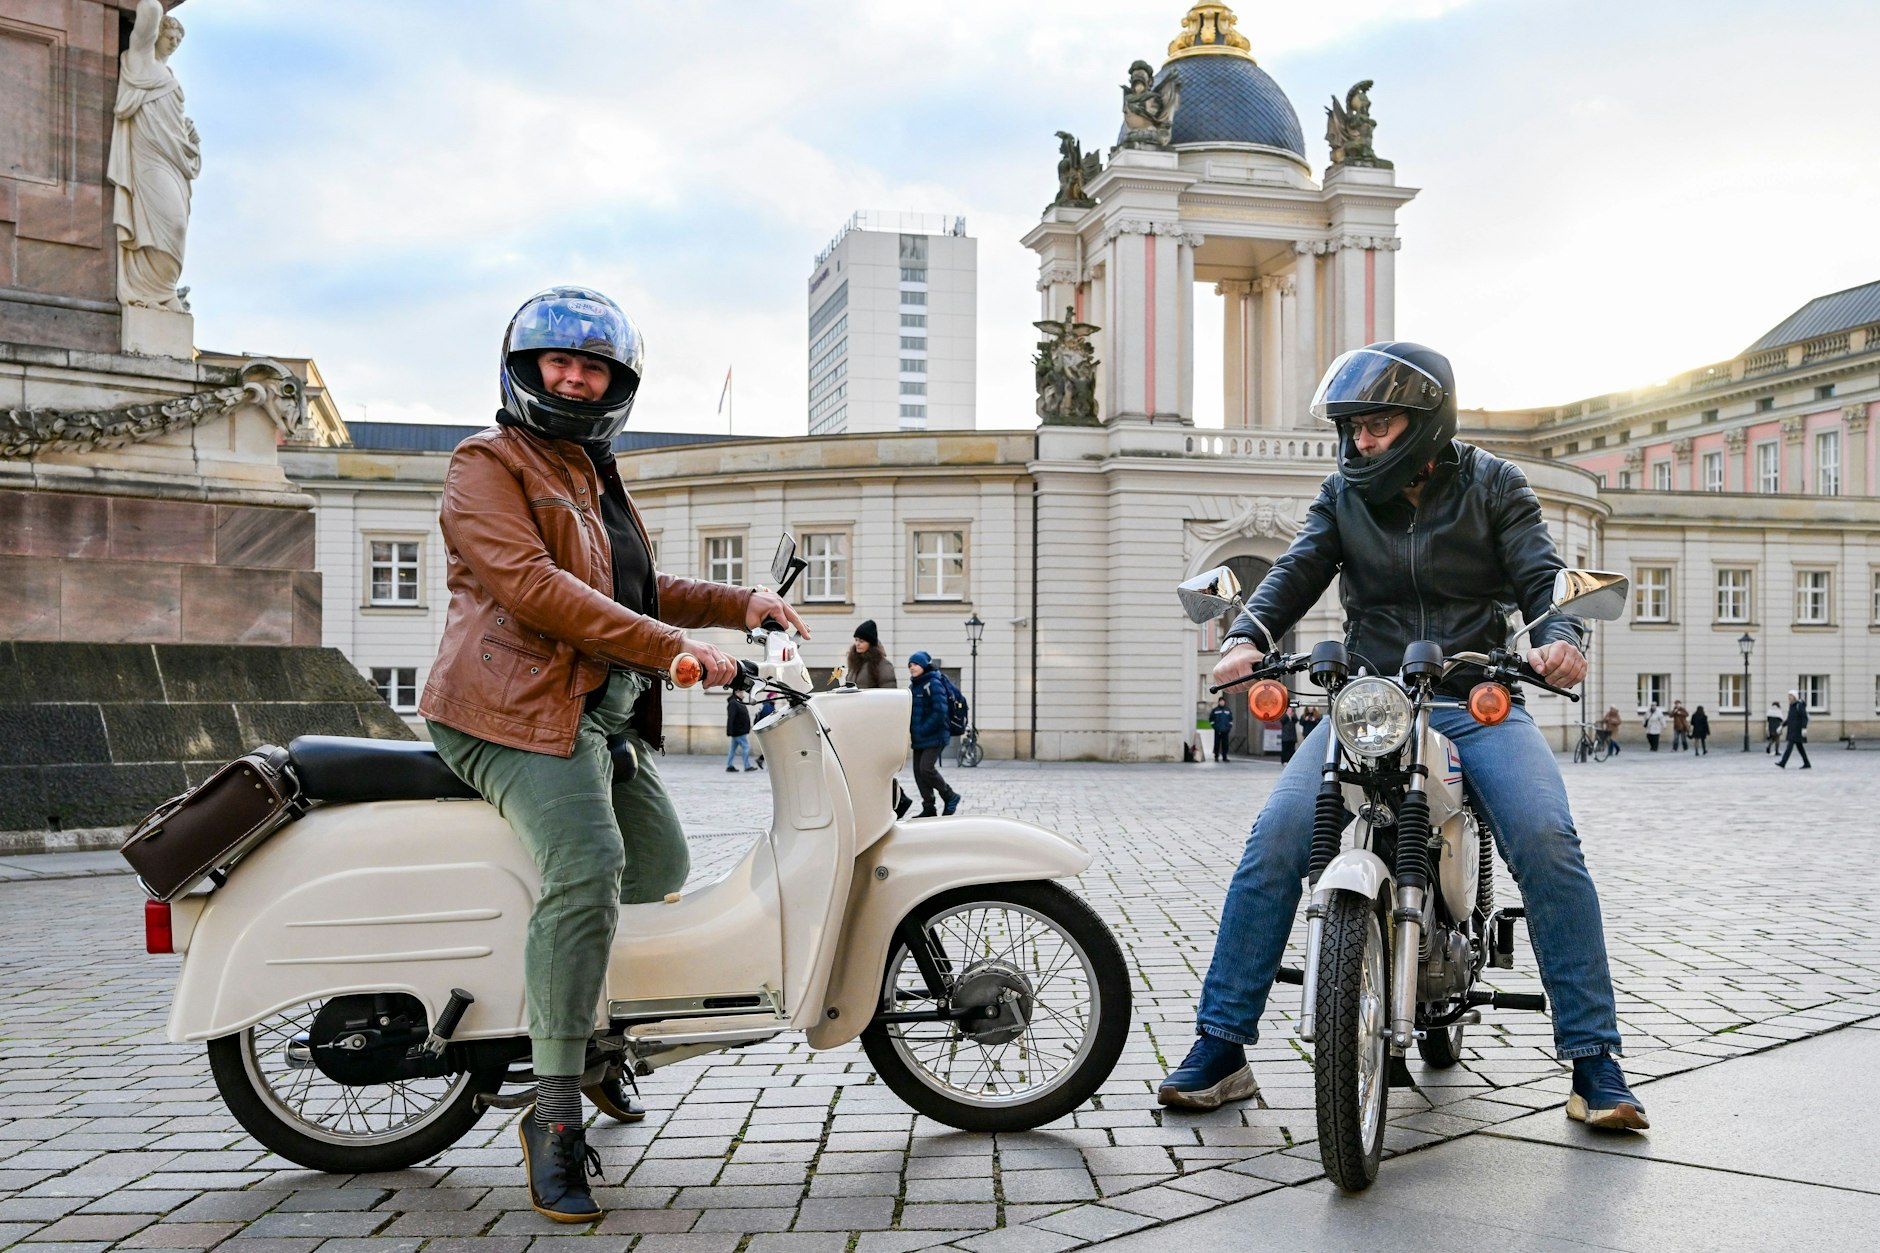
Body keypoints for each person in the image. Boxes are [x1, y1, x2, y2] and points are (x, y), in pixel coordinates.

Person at [1158, 342, 1647, 1132]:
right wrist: (1246, 632)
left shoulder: (1494, 484)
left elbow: (1541, 574)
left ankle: (1596, 1061)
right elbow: (1296, 568)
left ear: (1423, 424)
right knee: (1276, 837)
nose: (1358, 443)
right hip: (1370, 700)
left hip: (1471, 694)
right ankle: (1221, 1046)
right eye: (1351, 428)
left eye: (1375, 426)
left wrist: (1559, 637)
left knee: (1548, 838)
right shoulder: (1342, 496)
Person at [418, 286, 810, 1222]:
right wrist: (665, 649)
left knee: (663, 862)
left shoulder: (592, 470)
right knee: (590, 868)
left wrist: (736, 603)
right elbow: (533, 587)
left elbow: (633, 581)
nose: (573, 376)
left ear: (615, 384)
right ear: (524, 369)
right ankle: (551, 1114)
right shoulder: (488, 463)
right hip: (509, 708)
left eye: (593, 366)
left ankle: (586, 1028)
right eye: (559, 361)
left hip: (589, 710)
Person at [906, 651, 961, 816]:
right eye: (910, 665)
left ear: (923, 665)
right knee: (918, 772)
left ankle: (950, 795)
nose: (912, 668)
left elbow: (940, 711)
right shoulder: (914, 685)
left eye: (915, 664)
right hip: (919, 737)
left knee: (926, 769)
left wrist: (922, 729)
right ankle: (929, 807)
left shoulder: (933, 683)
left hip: (935, 735)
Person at [846, 620, 896, 688]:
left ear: (870, 644)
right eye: (856, 640)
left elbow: (889, 691)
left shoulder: (883, 664)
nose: (857, 644)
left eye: (861, 641)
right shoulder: (854, 663)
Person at [1776, 691, 1811, 769]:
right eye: (1788, 695)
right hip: (1792, 730)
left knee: (1789, 747)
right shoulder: (1792, 706)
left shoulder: (1799, 705)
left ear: (1795, 697)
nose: (1789, 697)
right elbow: (1789, 719)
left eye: (1791, 696)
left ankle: (1783, 762)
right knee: (1800, 748)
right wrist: (1782, 726)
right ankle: (1807, 763)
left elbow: (1804, 717)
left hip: (1797, 731)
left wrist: (1804, 728)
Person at [725, 693, 754, 772]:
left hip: (738, 730)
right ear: (736, 692)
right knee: (746, 747)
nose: (743, 694)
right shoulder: (734, 703)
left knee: (732, 749)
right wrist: (730, 730)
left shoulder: (737, 701)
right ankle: (747, 766)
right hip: (739, 731)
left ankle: (729, 765)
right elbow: (731, 717)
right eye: (741, 692)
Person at [1208, 696, 1234, 761]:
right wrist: (1215, 727)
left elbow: (1230, 720)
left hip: (1225, 730)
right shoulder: (1215, 710)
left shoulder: (1227, 710)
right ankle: (1216, 756)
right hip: (1217, 730)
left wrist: (1228, 727)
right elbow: (1211, 719)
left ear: (1224, 702)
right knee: (1217, 744)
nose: (1222, 702)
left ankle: (1224, 756)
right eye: (1221, 701)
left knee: (1225, 744)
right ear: (1219, 702)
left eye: (1223, 701)